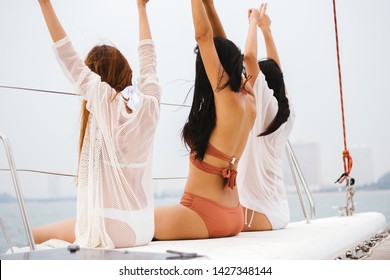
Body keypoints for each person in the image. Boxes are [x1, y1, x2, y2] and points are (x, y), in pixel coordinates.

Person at [33, 0, 161, 248]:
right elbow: (149, 64)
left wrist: (44, 4)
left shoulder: (104, 101)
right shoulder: (150, 106)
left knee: (36, 238)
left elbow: (66, 55)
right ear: (127, 71)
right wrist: (141, 9)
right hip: (143, 230)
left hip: (111, 233)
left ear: (96, 75)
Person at [153, 0, 256, 240]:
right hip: (233, 215)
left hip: (201, 214)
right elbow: (224, 49)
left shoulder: (226, 100)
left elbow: (204, 37)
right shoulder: (249, 100)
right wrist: (208, 5)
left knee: (119, 224)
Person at [238, 3, 295, 231]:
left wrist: (253, 21)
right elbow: (278, 76)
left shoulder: (266, 107)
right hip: (275, 209)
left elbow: (249, 56)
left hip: (259, 212)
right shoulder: (285, 111)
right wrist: (266, 30)